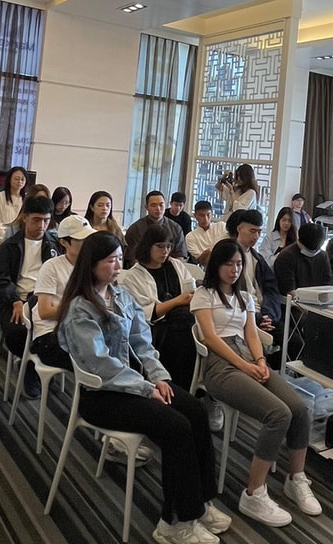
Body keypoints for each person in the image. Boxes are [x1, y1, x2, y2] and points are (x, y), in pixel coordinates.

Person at [57, 232, 229, 544]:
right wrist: (146, 388)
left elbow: (143, 343)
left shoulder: (121, 295)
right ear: (91, 265)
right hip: (102, 396)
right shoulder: (79, 309)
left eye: (119, 259)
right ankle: (174, 523)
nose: (118, 266)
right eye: (111, 261)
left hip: (136, 384)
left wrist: (159, 377)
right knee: (176, 427)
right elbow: (101, 365)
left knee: (194, 410)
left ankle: (200, 502)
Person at [191, 238, 322, 527]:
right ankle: (253, 493)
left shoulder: (245, 296)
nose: (234, 269)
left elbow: (251, 333)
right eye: (228, 264)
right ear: (216, 265)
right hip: (219, 365)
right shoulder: (204, 294)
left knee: (300, 410)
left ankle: (296, 479)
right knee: (278, 414)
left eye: (239, 264)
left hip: (249, 357)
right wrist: (244, 365)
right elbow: (210, 337)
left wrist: (260, 361)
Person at [0, 195, 60, 398]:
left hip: (44, 300)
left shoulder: (54, 246)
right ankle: (32, 366)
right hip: (16, 299)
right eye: (36, 220)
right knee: (17, 332)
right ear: (25, 218)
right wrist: (15, 301)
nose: (41, 226)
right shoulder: (9, 246)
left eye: (46, 220)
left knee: (60, 330)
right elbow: (1, 279)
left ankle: (41, 365)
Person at [117, 225, 198, 390]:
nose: (165, 251)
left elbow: (192, 291)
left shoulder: (176, 265)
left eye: (168, 246)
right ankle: (176, 387)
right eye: (160, 246)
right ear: (148, 246)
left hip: (185, 320)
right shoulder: (133, 276)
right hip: (156, 328)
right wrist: (177, 301)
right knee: (181, 340)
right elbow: (147, 314)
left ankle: (195, 387)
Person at [31, 214, 94, 370]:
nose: (87, 245)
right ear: (64, 242)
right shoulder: (51, 267)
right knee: (94, 361)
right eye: (81, 240)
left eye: (89, 240)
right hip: (51, 333)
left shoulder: (92, 266)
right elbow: (45, 312)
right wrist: (83, 311)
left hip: (82, 328)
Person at [226, 209, 282, 340]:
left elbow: (271, 290)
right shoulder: (226, 255)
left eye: (259, 232)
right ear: (239, 229)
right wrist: (257, 318)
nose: (256, 236)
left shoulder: (258, 259)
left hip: (263, 313)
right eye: (252, 231)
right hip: (240, 315)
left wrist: (269, 315)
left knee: (294, 340)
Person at [123, 190, 186, 267]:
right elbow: (132, 258)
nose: (158, 208)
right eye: (153, 205)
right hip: (142, 269)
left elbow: (180, 256)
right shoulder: (136, 229)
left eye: (161, 205)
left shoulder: (175, 228)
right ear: (146, 207)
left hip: (169, 268)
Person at [274, 222, 332, 297]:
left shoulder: (323, 255)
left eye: (316, 250)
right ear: (299, 241)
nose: (313, 253)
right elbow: (289, 290)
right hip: (292, 301)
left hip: (319, 299)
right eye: (309, 250)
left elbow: (327, 284)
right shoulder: (286, 257)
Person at [0, 167, 27, 253]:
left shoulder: (26, 199)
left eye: (22, 179)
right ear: (9, 179)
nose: (19, 181)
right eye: (16, 178)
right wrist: (6, 240)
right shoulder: (0, 197)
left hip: (20, 237)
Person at [185, 201, 227, 267]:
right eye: (201, 215)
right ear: (195, 216)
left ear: (212, 214)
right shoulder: (190, 237)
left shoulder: (221, 226)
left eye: (208, 214)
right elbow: (201, 260)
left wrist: (207, 252)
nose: (205, 219)